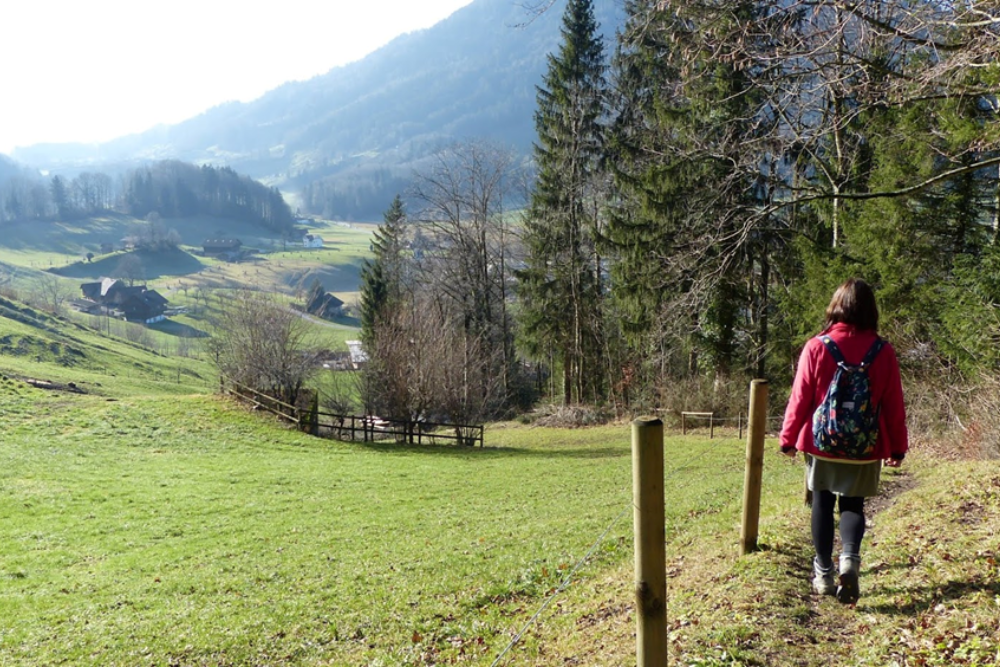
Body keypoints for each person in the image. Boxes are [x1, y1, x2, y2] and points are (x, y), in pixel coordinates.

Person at [779, 278, 908, 604]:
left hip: (822, 443)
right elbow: (893, 403)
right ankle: (849, 561)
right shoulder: (884, 351)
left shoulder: (817, 346)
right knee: (853, 505)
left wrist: (788, 437)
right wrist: (897, 447)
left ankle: (823, 574)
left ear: (836, 306)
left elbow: (800, 397)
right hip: (865, 446)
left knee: (821, 502)